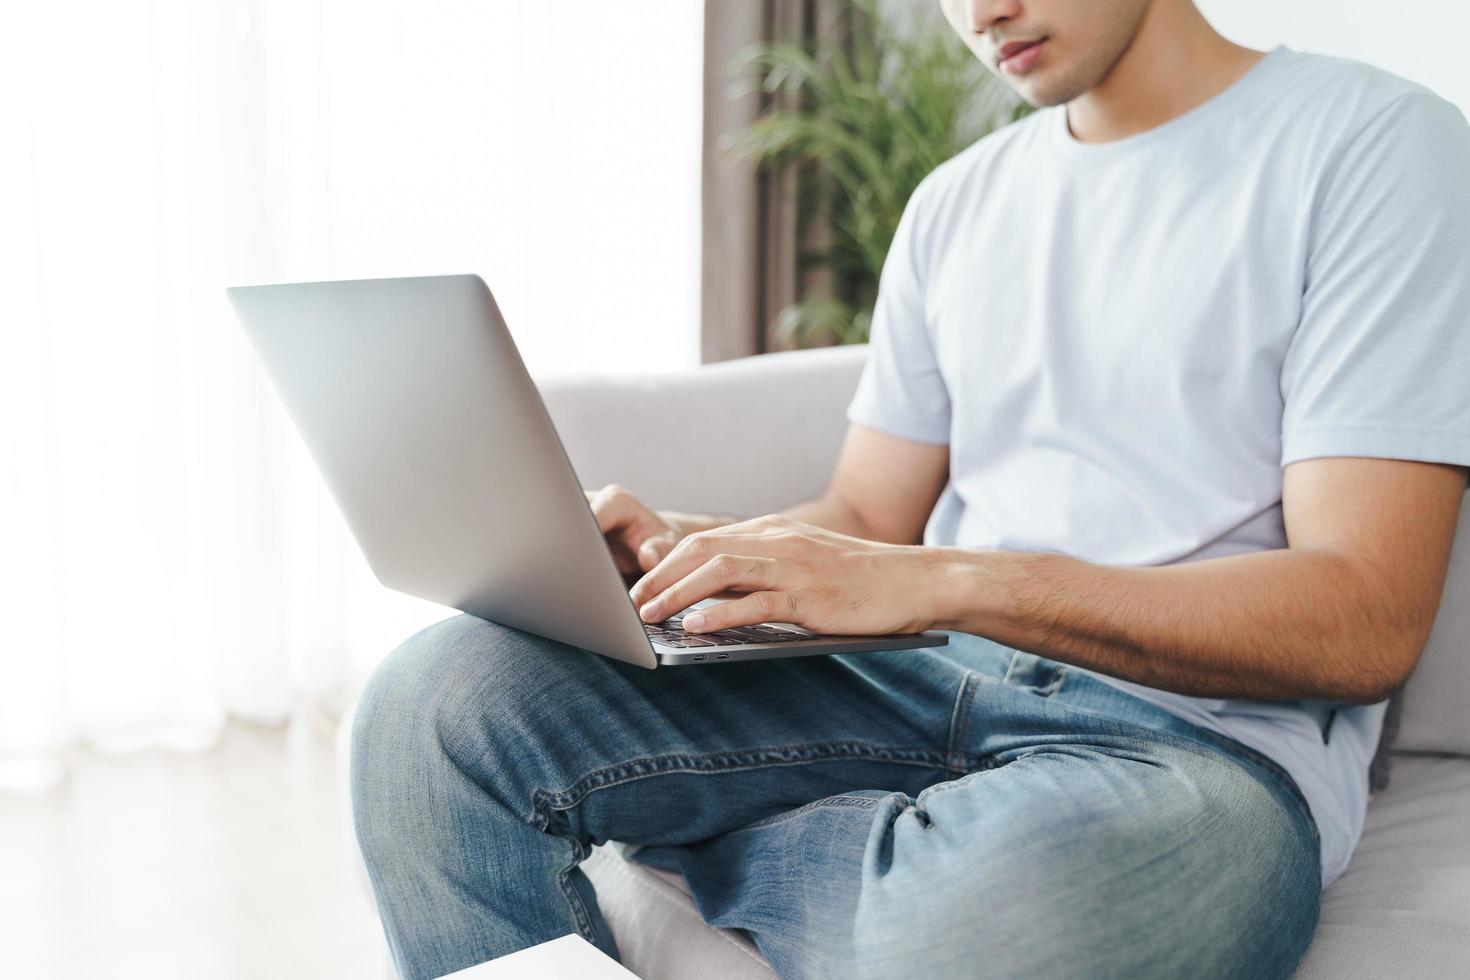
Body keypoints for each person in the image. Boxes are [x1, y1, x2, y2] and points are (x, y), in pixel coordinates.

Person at [350, 1, 1470, 977]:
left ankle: (729, 836)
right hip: (907, 683)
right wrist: (705, 545)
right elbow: (867, 518)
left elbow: (1363, 616)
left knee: (989, 930)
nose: (981, 10)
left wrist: (948, 578)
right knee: (435, 703)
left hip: (1186, 749)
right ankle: (857, 843)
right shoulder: (956, 203)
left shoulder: (1374, 145)